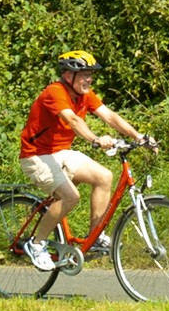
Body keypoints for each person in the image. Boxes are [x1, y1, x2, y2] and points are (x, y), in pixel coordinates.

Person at [17, 51, 151, 270]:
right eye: (84, 74)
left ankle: (95, 236)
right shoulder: (55, 92)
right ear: (68, 75)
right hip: (36, 156)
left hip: (61, 153)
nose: (89, 79)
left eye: (90, 74)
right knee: (71, 197)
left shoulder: (84, 95)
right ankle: (37, 244)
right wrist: (95, 139)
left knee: (104, 177)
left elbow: (109, 116)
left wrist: (139, 137)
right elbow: (72, 120)